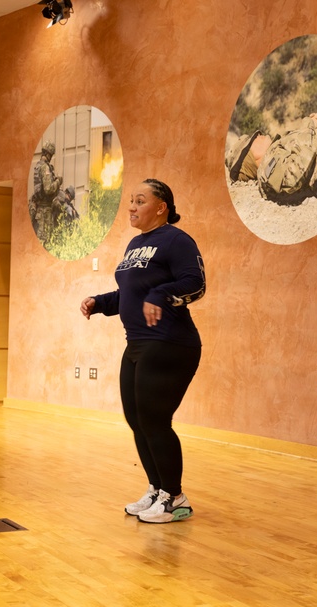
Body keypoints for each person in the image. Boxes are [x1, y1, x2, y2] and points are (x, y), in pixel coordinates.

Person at [80, 179, 206, 523]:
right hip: (136, 343)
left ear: (161, 206)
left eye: (139, 201)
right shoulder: (136, 245)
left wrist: (160, 295)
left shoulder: (177, 240)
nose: (131, 207)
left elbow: (195, 283)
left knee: (154, 419)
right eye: (130, 202)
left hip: (170, 343)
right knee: (136, 420)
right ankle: (157, 488)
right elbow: (131, 294)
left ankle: (176, 498)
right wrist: (100, 302)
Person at [226, 112, 317, 204]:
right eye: (253, 140)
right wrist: (308, 127)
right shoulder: (267, 167)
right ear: (250, 157)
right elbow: (292, 178)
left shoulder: (277, 151)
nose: (258, 135)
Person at [29, 141, 64, 241]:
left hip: (41, 210)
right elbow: (48, 189)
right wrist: (58, 181)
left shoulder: (38, 165)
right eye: (51, 155)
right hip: (44, 212)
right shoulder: (45, 167)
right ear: (48, 154)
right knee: (45, 242)